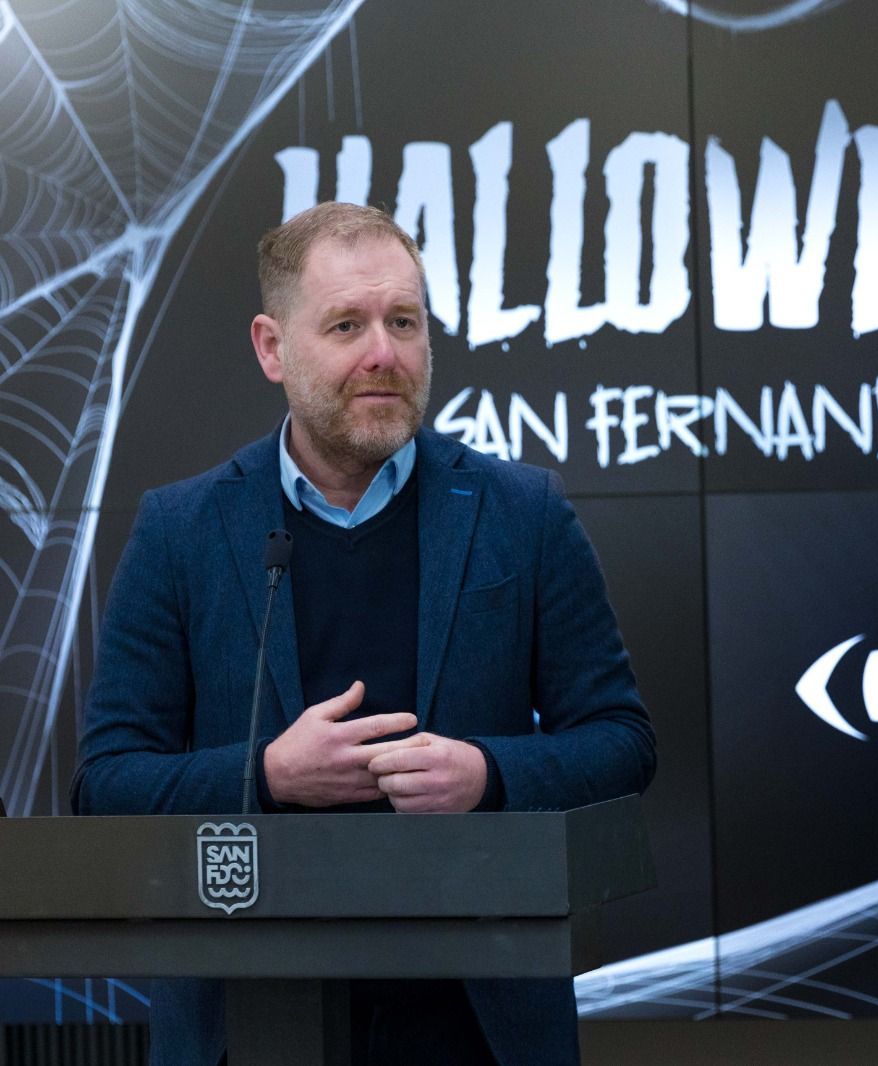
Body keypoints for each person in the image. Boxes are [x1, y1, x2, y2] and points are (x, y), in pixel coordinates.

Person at [72, 202, 656, 1065]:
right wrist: (270, 775)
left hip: (477, 1021)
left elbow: (622, 743)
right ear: (272, 348)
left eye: (405, 322)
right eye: (347, 325)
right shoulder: (182, 530)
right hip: (251, 1018)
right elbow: (107, 785)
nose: (384, 353)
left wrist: (487, 775)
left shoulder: (521, 514)